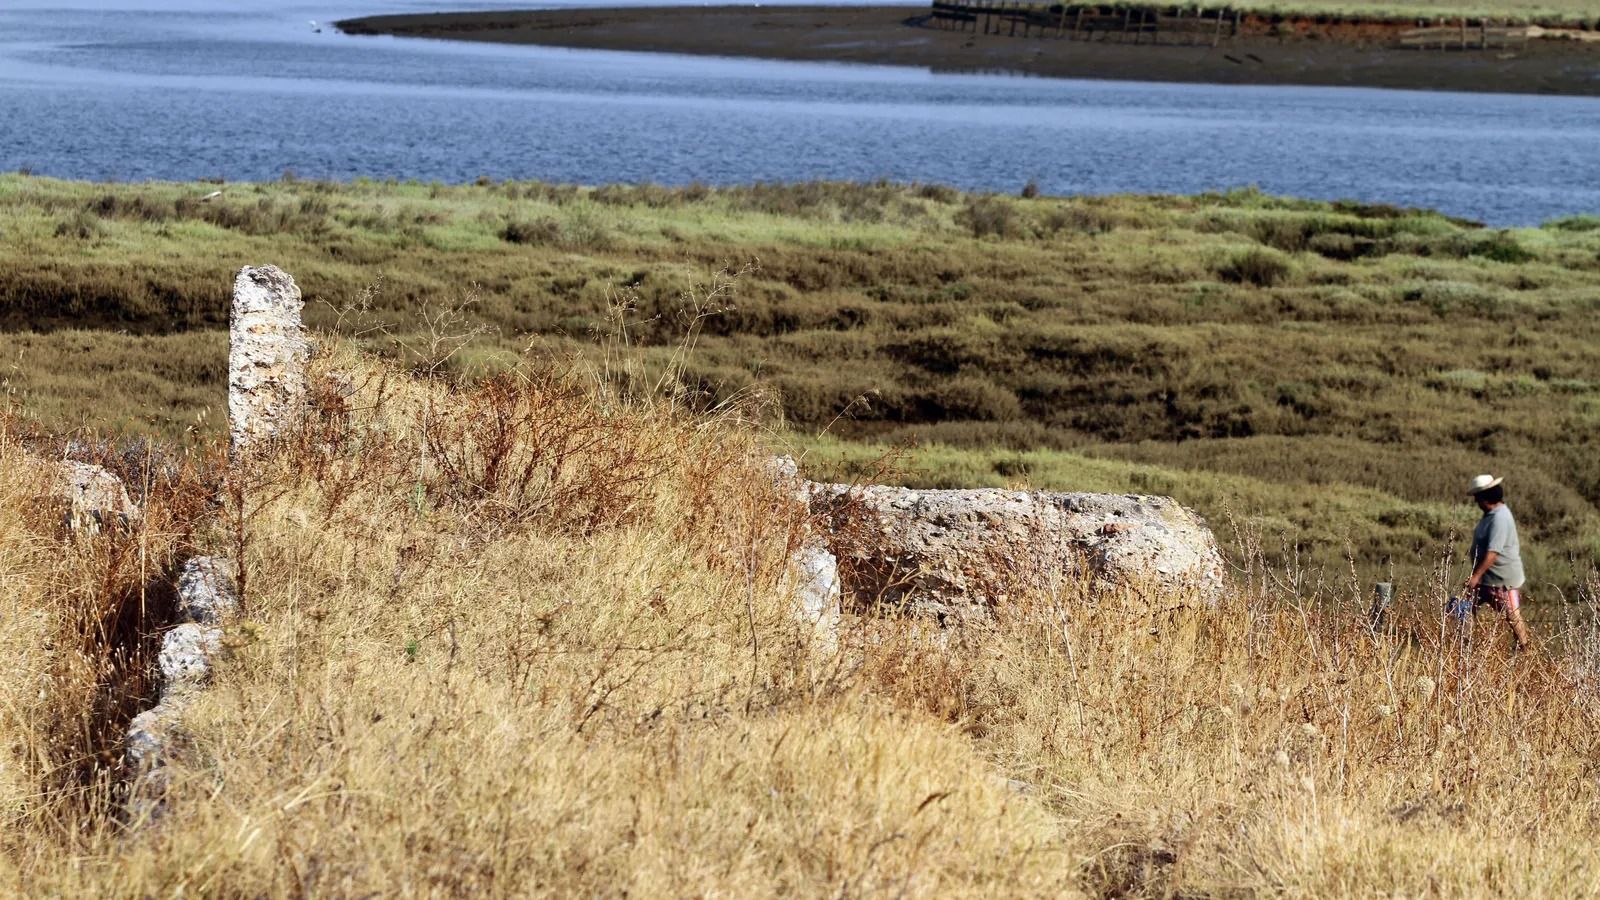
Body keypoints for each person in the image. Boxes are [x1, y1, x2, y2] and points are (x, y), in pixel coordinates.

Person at [1464, 474, 1531, 649]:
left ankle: (1525, 649)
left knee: (1512, 615)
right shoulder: (1491, 515)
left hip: (1501, 579)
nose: (1476, 501)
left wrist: (1475, 576)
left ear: (1486, 497)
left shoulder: (1500, 518)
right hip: (1486, 578)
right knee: (1465, 609)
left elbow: (1493, 552)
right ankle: (1465, 646)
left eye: (1477, 497)